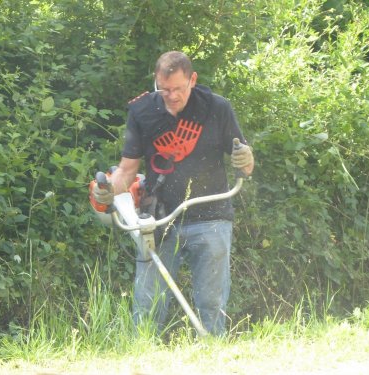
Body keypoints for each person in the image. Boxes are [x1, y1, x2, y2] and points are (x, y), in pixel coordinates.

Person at [93, 51, 254, 335]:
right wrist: (108, 191)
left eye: (178, 89)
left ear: (192, 80)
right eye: (164, 89)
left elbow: (245, 162)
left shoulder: (217, 108)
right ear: (156, 83)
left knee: (211, 300)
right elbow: (127, 170)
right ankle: (142, 354)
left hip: (212, 216)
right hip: (159, 219)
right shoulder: (142, 111)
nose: (172, 96)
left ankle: (214, 351)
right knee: (147, 302)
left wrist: (245, 158)